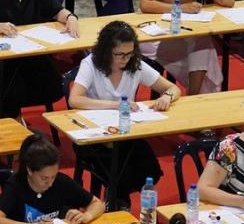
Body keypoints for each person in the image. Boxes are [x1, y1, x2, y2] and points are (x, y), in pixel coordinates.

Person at [66, 20, 181, 204]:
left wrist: (166, 97)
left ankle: (125, 202)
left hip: (127, 133)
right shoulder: (91, 63)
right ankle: (118, 202)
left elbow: (173, 88)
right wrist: (114, 105)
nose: (125, 59)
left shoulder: (135, 64)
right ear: (106, 50)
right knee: (120, 172)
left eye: (129, 54)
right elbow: (75, 99)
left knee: (149, 169)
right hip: (95, 137)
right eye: (119, 54)